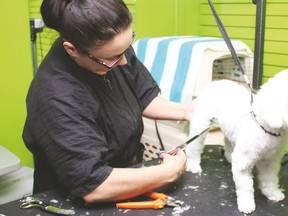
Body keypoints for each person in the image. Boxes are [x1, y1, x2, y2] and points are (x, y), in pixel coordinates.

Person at [23, 0, 192, 204]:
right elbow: (94, 185)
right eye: (113, 58)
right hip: (73, 202)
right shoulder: (56, 96)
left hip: (126, 183)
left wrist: (189, 112)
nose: (123, 62)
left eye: (127, 45)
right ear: (71, 49)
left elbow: (143, 96)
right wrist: (168, 172)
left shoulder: (113, 51)